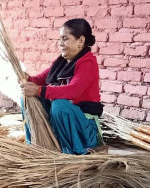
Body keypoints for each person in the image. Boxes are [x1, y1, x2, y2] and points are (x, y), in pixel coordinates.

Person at [21, 18, 104, 155]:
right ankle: (35, 145)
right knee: (26, 98)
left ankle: (71, 152)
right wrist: (27, 78)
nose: (60, 44)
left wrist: (38, 90)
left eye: (65, 39)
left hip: (84, 129)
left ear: (80, 41)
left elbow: (73, 90)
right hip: (65, 124)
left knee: (60, 105)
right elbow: (40, 80)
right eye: (60, 39)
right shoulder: (61, 62)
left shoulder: (87, 62)